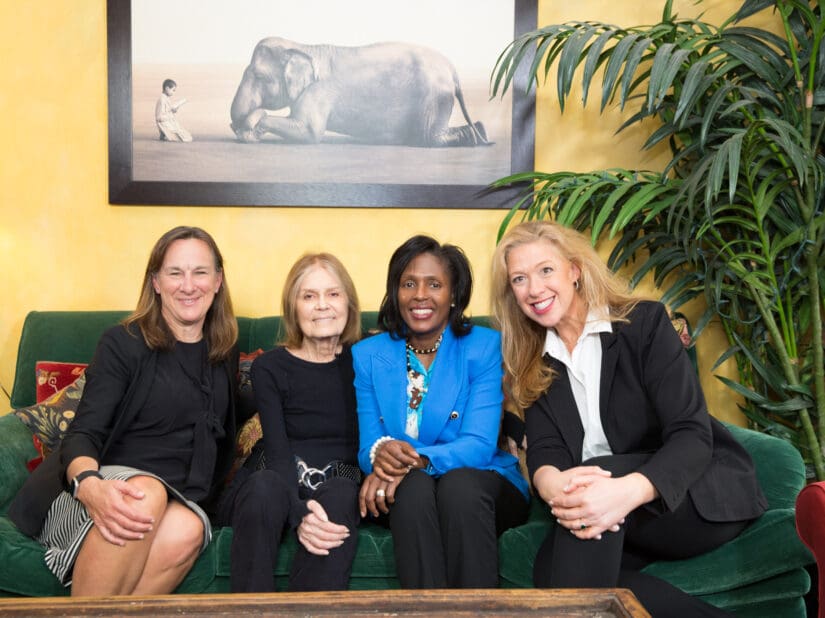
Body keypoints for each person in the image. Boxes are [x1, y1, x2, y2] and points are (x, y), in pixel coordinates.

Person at [491, 220, 767, 617]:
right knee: (551, 571)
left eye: (545, 270)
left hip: (693, 497)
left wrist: (627, 491)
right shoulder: (532, 358)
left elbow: (691, 434)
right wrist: (554, 485)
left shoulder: (645, 324)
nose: (534, 289)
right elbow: (547, 450)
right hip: (608, 510)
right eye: (519, 278)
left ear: (575, 271)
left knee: (596, 473)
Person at [8, 226, 244, 596]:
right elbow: (83, 432)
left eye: (200, 272)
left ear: (217, 281)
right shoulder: (124, 343)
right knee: (144, 495)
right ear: (155, 282)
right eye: (175, 273)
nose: (188, 285)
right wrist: (89, 486)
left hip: (174, 499)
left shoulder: (223, 350)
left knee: (190, 527)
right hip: (96, 490)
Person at [354, 235, 529, 589]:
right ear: (395, 292)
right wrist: (378, 456)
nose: (420, 295)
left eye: (435, 284)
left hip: (480, 480)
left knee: (458, 486)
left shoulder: (482, 346)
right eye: (408, 284)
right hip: (407, 488)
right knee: (414, 490)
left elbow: (478, 446)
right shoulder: (368, 354)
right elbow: (369, 446)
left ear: (453, 295)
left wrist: (412, 459)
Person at [218, 253, 363, 592]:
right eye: (309, 296)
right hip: (273, 480)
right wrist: (299, 514)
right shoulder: (270, 367)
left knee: (341, 492)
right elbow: (279, 451)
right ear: (293, 308)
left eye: (333, 294)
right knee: (266, 487)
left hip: (336, 483)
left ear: (349, 303)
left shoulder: (366, 360)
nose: (322, 306)